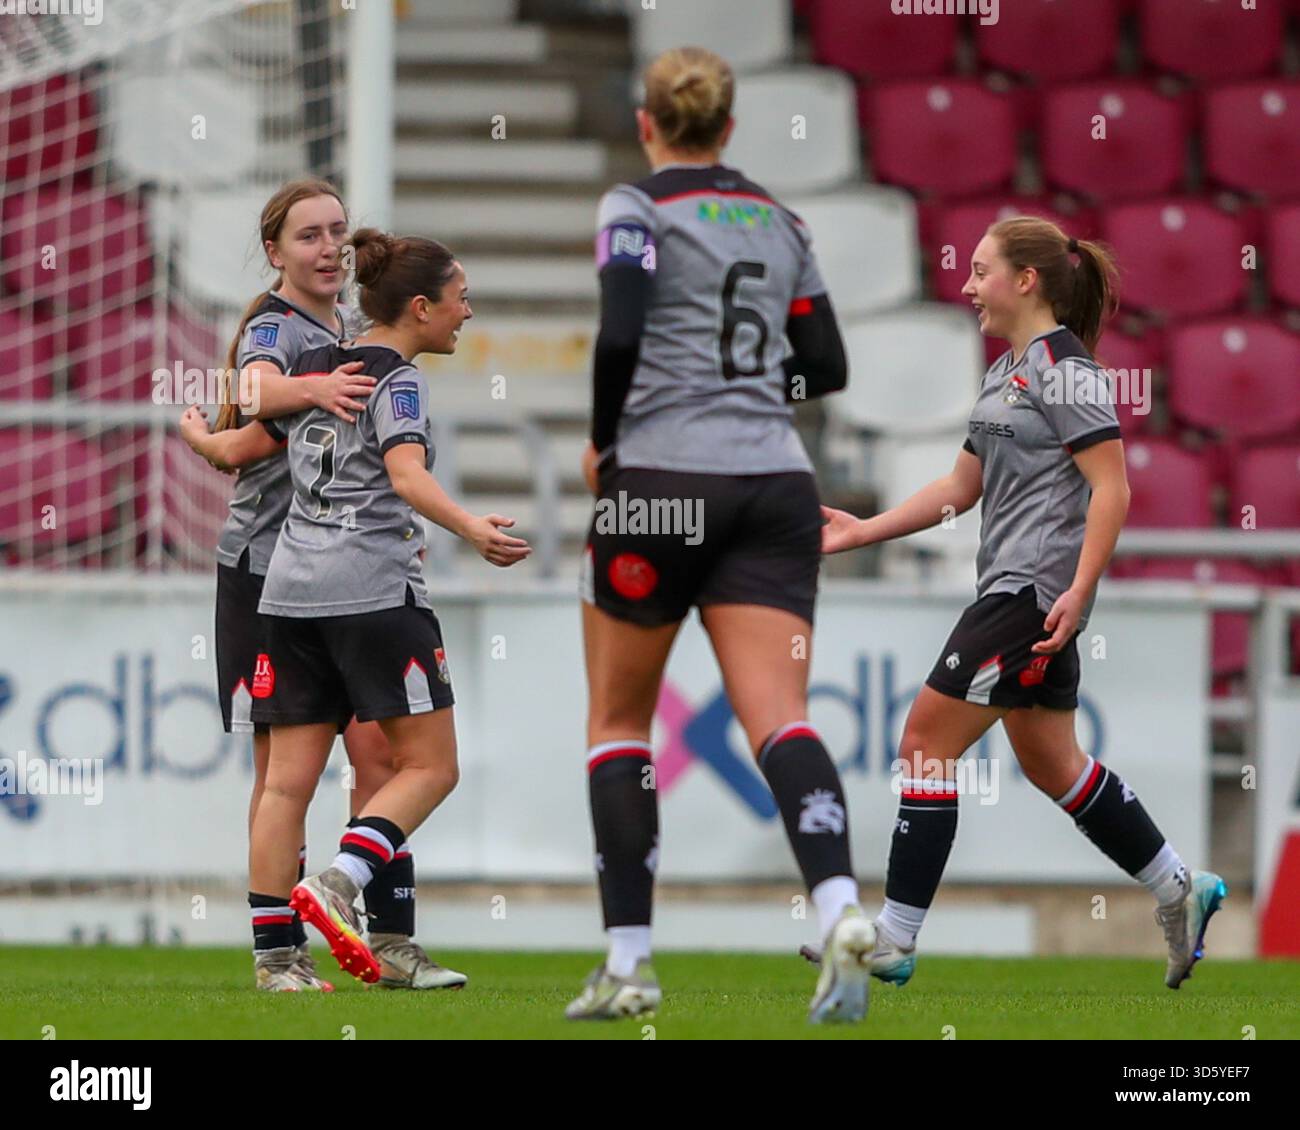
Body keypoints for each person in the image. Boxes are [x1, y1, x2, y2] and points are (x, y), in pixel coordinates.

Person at [819, 216, 1227, 990]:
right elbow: (959, 488)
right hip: (1024, 592)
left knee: (924, 743)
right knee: (1055, 765)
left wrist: (1079, 589)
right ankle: (1181, 886)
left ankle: (897, 937)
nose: (968, 287)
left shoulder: (1067, 373)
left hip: (1031, 595)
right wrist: (862, 530)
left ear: (1026, 280)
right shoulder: (1007, 368)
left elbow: (1114, 488)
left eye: (980, 272)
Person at [569, 46, 870, 1024]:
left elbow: (619, 333)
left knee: (619, 719)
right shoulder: (782, 220)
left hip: (659, 482)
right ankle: (836, 905)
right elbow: (823, 362)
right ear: (730, 129)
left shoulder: (635, 208)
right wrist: (747, 390)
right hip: (774, 483)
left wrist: (609, 442)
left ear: (647, 122)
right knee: (780, 716)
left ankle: (629, 962)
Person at [178, 180, 460, 992]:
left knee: (383, 760)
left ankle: (392, 942)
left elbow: (241, 443)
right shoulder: (277, 326)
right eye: (308, 236)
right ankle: (278, 957)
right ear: (275, 253)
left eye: (338, 231)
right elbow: (255, 400)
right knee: (287, 778)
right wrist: (307, 394)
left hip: (339, 576)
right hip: (267, 574)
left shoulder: (346, 331)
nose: (328, 247)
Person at [234, 228, 529, 986]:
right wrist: (469, 526)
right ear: (422, 305)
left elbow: (247, 444)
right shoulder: (398, 380)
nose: (468, 312)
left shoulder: (310, 368)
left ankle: (276, 964)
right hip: (371, 590)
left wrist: (202, 442)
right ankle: (339, 883)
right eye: (460, 298)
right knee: (432, 766)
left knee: (284, 784)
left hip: (290, 591)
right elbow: (404, 475)